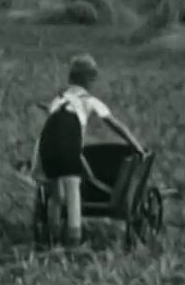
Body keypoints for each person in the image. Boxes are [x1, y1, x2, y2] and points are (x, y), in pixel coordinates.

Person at [31, 54, 145, 247]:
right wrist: (137, 146)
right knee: (73, 188)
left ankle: (51, 238)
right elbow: (115, 125)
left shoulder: (59, 99)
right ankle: (74, 240)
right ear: (89, 80)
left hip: (46, 144)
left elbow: (51, 119)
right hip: (67, 143)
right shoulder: (90, 101)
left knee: (57, 195)